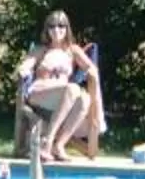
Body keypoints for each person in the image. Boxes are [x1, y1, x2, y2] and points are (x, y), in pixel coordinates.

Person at [15, 10, 105, 159]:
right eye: (52, 26)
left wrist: (91, 72)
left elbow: (90, 67)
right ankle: (48, 143)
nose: (56, 30)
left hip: (63, 98)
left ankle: (59, 145)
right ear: (47, 29)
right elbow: (26, 65)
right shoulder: (41, 50)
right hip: (40, 92)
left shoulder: (73, 50)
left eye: (61, 26)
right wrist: (24, 70)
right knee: (73, 88)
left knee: (85, 99)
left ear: (67, 28)